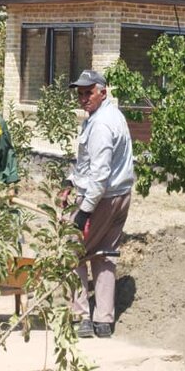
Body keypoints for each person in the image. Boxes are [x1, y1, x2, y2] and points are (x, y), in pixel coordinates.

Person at [60, 70, 134, 339]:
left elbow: (100, 175)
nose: (83, 98)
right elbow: (89, 163)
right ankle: (104, 321)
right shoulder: (112, 115)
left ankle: (81, 317)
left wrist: (84, 212)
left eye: (88, 93)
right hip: (121, 195)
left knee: (73, 251)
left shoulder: (101, 125)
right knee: (104, 254)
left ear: (102, 92)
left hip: (102, 199)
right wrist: (70, 181)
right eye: (80, 93)